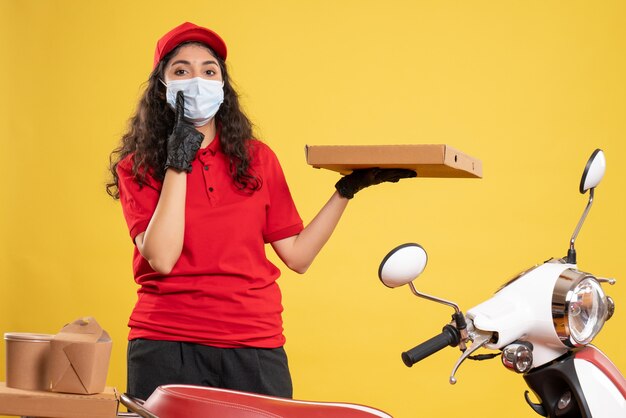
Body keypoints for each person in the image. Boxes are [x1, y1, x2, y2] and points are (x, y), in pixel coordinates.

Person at [106, 21, 416, 401]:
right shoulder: (138, 167)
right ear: (163, 87)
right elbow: (163, 258)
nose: (197, 80)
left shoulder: (257, 160)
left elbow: (298, 256)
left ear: (222, 86)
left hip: (254, 344)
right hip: (167, 343)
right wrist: (177, 160)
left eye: (209, 71)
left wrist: (346, 190)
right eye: (181, 70)